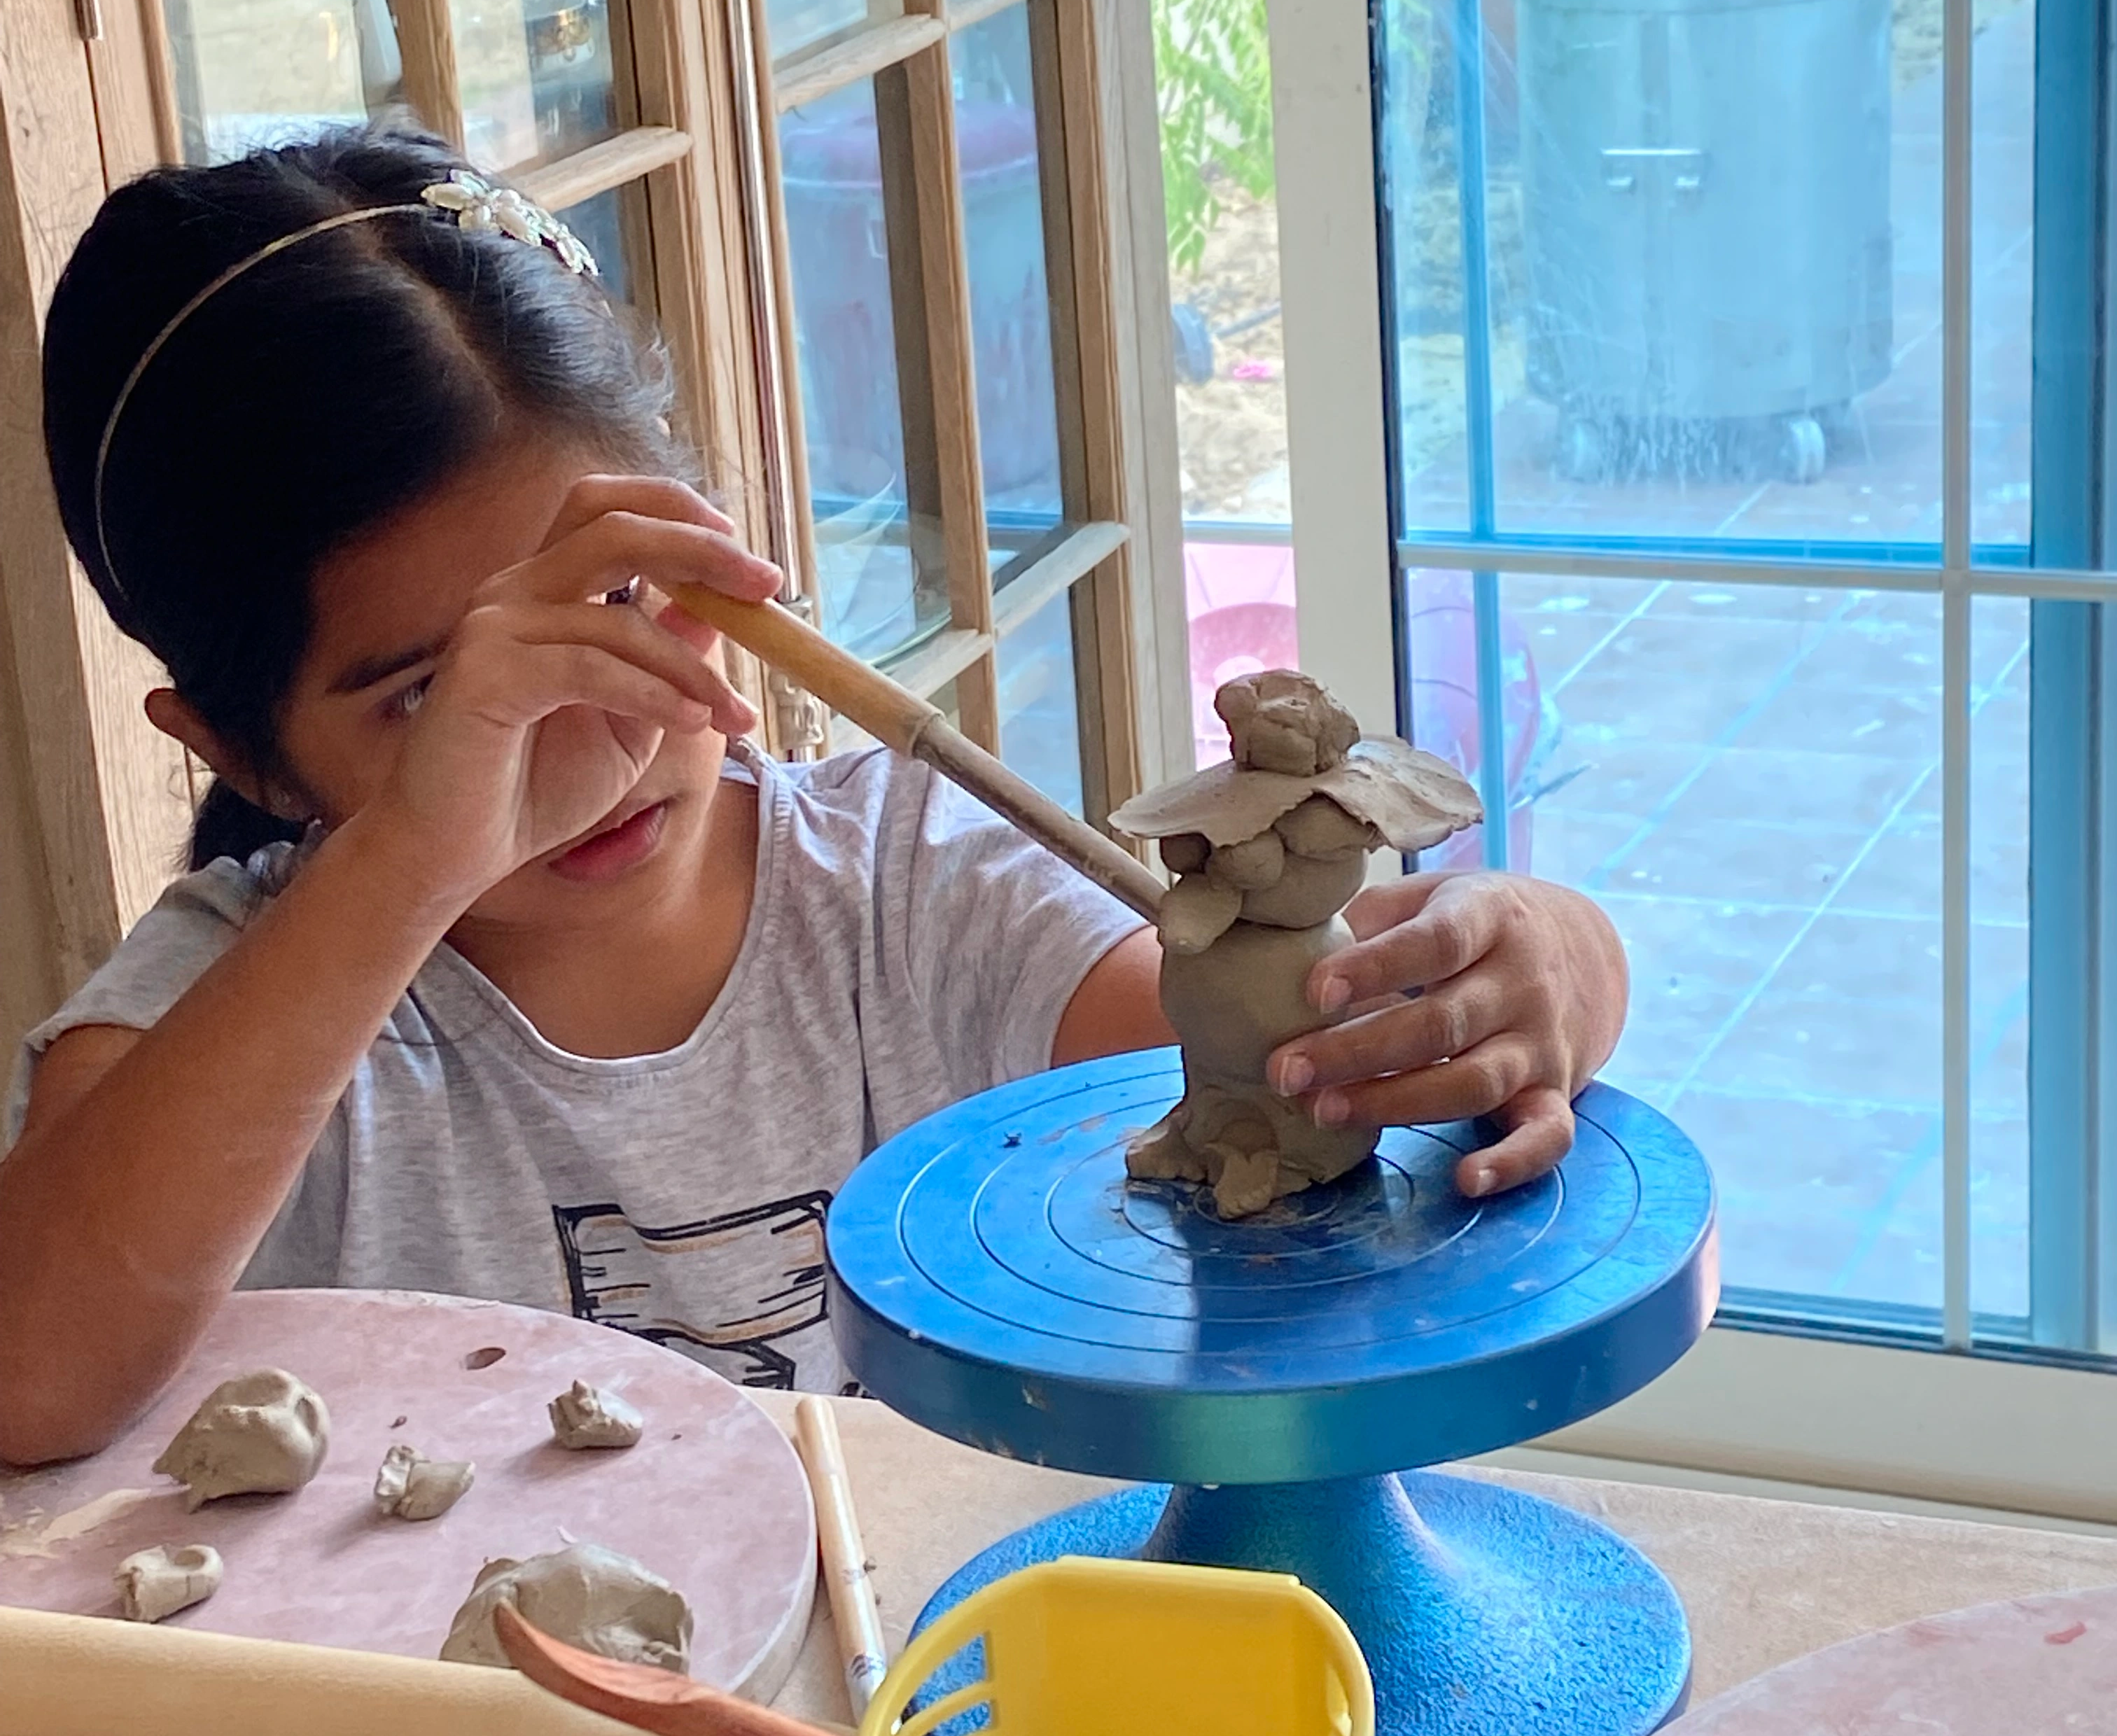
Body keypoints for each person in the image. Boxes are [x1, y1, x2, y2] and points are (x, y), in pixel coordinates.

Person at [0, 130, 1627, 1468]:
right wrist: (419, 854)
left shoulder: (904, 886)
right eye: (441, 700)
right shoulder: (238, 998)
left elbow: (1296, 1063)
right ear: (242, 750)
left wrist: (1537, 963)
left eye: (626, 602)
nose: (594, 749)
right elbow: (36, 1380)